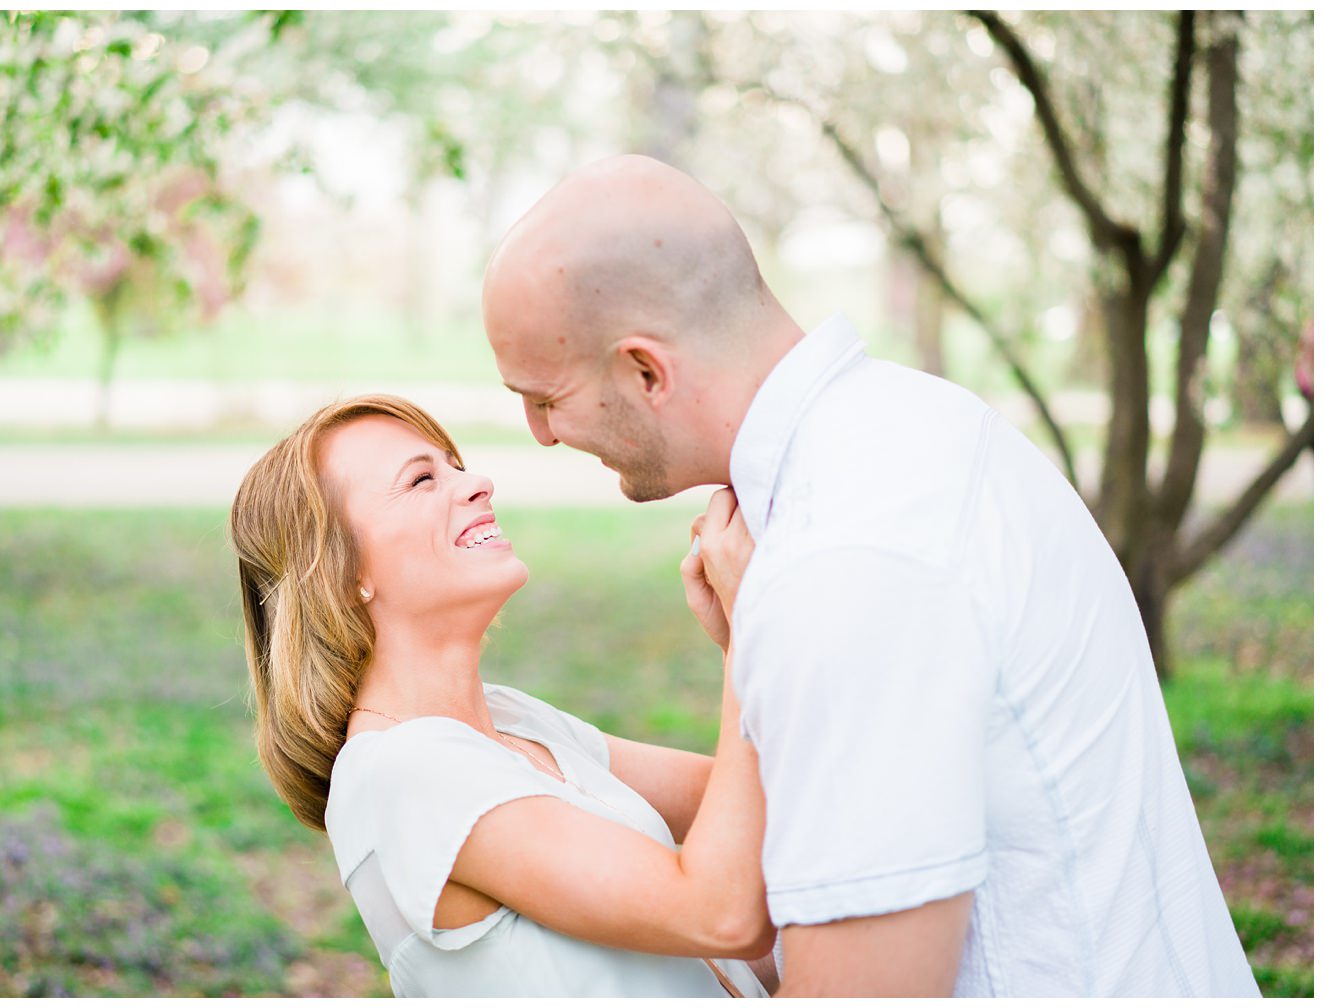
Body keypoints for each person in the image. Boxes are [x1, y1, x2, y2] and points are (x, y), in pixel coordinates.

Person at [481, 154, 1260, 996]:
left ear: (645, 371)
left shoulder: (845, 560)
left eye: (546, 397)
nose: (540, 435)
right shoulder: (912, 426)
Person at [228, 393, 775, 997]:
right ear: (344, 572)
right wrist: (747, 635)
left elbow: (756, 805)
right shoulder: (402, 773)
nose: (478, 483)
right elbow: (723, 913)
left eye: (455, 464)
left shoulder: (510, 719)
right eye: (421, 480)